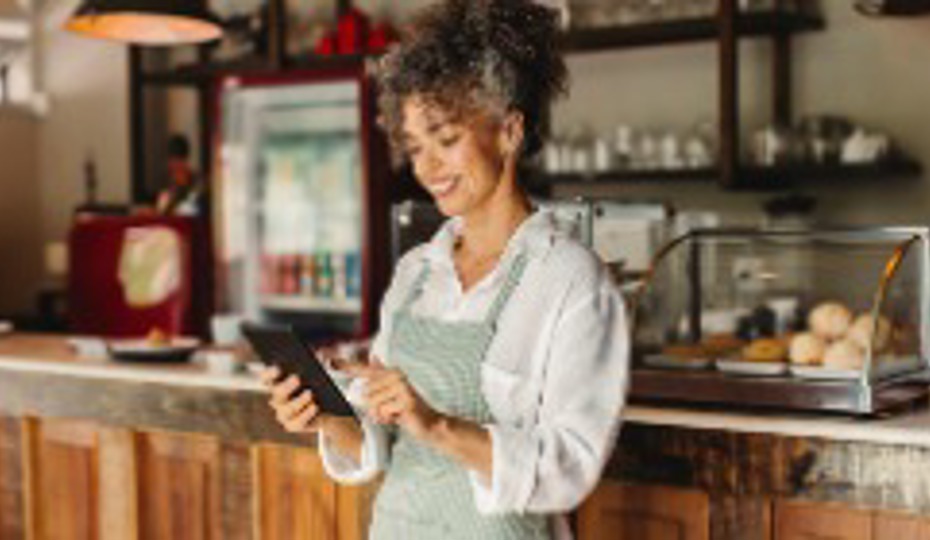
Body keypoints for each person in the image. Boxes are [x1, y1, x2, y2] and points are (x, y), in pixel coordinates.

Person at [260, 1, 628, 538]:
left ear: (508, 131)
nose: (427, 168)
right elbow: (379, 446)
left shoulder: (571, 281)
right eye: (415, 148)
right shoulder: (416, 274)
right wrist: (326, 416)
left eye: (447, 139)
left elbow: (567, 467)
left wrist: (437, 425)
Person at [156, 134, 204, 216]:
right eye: (172, 162)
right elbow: (161, 213)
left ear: (185, 161)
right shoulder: (167, 187)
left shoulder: (198, 185)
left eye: (178, 162)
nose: (175, 167)